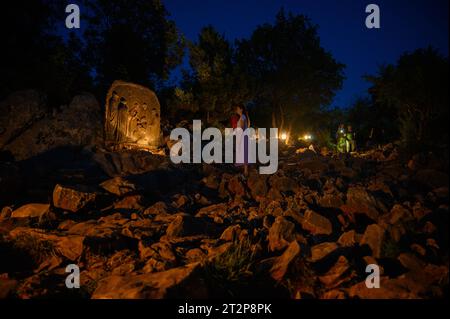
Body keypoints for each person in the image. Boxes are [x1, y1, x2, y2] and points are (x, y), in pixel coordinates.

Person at [235, 104, 250, 176]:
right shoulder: (243, 117)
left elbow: (241, 127)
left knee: (244, 153)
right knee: (244, 153)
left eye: (237, 108)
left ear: (241, 109)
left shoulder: (242, 117)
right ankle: (245, 171)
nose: (236, 110)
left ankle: (246, 172)